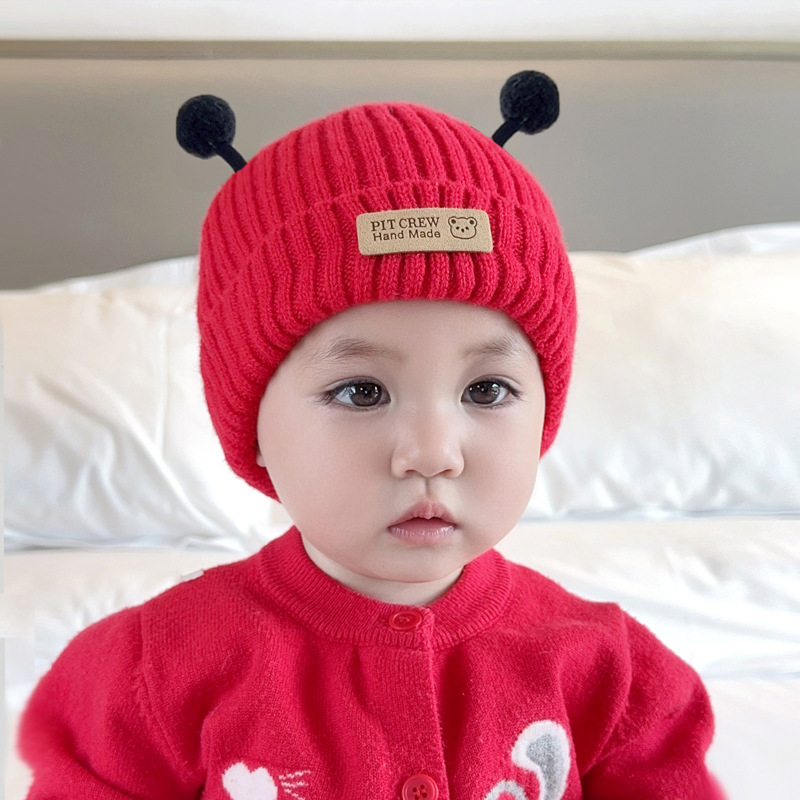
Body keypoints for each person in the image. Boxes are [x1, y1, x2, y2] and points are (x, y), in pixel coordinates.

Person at [18, 84, 724, 800]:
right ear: (253, 427)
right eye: (362, 392)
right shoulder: (147, 676)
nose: (432, 453)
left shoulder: (617, 678)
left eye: (486, 391)